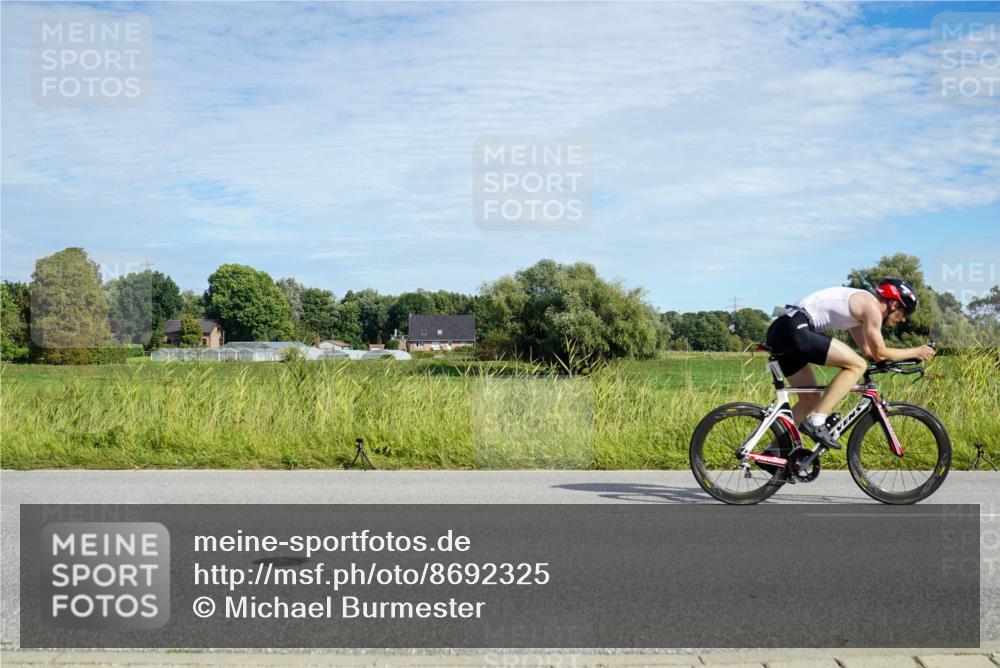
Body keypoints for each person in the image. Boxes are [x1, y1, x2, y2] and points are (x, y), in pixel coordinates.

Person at [763, 278, 935, 452]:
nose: (903, 320)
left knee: (810, 399)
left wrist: (900, 360)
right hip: (795, 328)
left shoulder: (859, 312)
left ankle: (774, 450)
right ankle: (817, 421)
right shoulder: (871, 308)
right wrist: (915, 352)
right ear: (894, 304)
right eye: (905, 313)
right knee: (857, 366)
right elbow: (880, 352)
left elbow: (869, 352)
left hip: (783, 329)